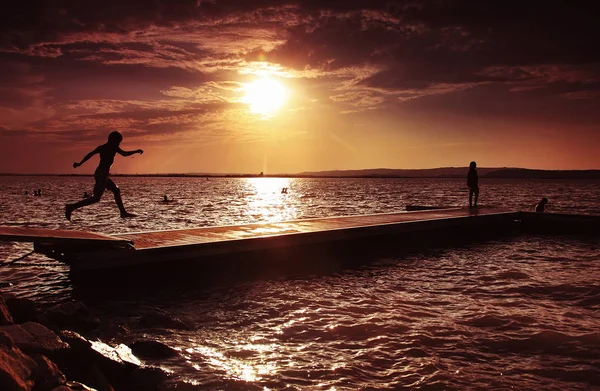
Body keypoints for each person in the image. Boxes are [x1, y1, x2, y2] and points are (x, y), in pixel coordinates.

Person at [65, 131, 143, 221]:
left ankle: (123, 212)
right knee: (97, 198)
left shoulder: (104, 147)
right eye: (118, 141)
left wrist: (79, 164)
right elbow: (124, 154)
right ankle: (71, 207)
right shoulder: (111, 147)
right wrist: (136, 151)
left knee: (114, 191)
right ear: (112, 140)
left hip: (102, 174)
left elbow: (90, 154)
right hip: (101, 174)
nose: (118, 144)